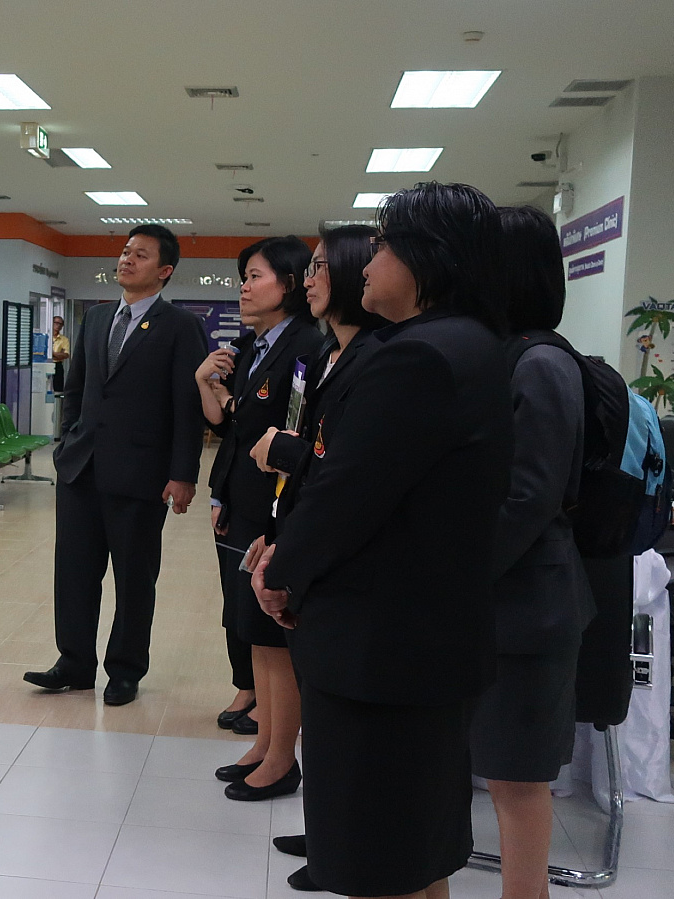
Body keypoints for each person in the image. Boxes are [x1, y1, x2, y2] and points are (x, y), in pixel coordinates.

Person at [251, 182, 512, 899]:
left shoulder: (416, 357)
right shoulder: (474, 344)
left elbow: (347, 493)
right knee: (418, 850)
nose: (367, 265)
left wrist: (282, 571)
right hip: (431, 640)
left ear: (428, 257)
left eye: (384, 247)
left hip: (382, 648)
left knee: (381, 858)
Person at [245, 223, 386, 892]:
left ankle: (341, 844)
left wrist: (286, 454)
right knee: (322, 710)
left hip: (347, 564)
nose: (310, 280)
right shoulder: (330, 352)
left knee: (346, 719)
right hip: (297, 526)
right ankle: (327, 831)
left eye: (322, 266)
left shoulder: (379, 357)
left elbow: (344, 468)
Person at [24, 224, 207, 706]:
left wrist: (183, 474)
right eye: (126, 251)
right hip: (80, 469)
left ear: (164, 271)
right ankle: (74, 662)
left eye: (141, 255)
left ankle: (125, 670)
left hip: (141, 476)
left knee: (134, 579)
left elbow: (187, 406)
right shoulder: (98, 318)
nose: (127, 260)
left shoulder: (180, 326)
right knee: (74, 573)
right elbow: (77, 389)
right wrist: (66, 442)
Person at [472, 205, 595, 899]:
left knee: (518, 780)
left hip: (530, 604)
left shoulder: (542, 362)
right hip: (505, 601)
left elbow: (528, 497)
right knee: (501, 772)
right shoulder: (509, 352)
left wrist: (458, 572)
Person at [197, 237, 321, 795]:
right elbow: (233, 426)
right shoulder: (254, 345)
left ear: (289, 284)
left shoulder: (304, 347)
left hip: (273, 508)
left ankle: (281, 757)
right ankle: (265, 744)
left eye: (255, 276)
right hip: (244, 502)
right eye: (243, 277)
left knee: (273, 635)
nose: (244, 288)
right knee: (253, 630)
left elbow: (289, 436)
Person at [50, 314, 71, 393]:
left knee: (58, 388)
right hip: (47, 363)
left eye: (60, 324)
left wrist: (52, 353)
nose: (58, 325)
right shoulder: (47, 336)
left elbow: (66, 355)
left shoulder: (64, 339)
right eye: (56, 323)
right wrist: (58, 354)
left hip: (57, 365)